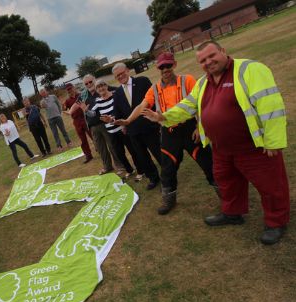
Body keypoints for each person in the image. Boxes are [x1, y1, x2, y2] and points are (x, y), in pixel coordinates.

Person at [143, 40, 289, 245]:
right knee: (227, 182)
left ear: (223, 51)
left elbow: (270, 104)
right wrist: (163, 117)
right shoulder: (204, 82)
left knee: (270, 185)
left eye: (212, 56)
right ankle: (232, 214)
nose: (208, 62)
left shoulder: (250, 69)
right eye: (203, 60)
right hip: (221, 148)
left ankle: (276, 222)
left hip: (252, 146)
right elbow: (188, 106)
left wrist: (273, 141)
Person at [116, 53, 216, 214]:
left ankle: (225, 196)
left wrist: (199, 126)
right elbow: (142, 105)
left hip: (191, 129)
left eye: (168, 66)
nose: (165, 70)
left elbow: (201, 102)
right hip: (169, 132)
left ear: (174, 65)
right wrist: (128, 121)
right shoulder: (154, 88)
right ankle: (169, 199)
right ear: (158, 68)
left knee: (208, 163)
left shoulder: (187, 80)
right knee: (167, 169)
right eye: (162, 67)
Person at [110, 63, 161, 190]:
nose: (121, 76)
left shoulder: (142, 81)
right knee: (143, 157)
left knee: (159, 153)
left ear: (128, 70)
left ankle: (168, 175)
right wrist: (112, 119)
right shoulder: (117, 93)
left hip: (149, 126)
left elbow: (154, 99)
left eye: (122, 73)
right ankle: (153, 178)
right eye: (117, 76)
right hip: (133, 132)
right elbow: (117, 113)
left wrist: (157, 118)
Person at [77, 74, 126, 175]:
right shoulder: (84, 95)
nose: (89, 84)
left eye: (90, 82)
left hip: (105, 123)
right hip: (93, 126)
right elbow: (78, 105)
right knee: (101, 148)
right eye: (86, 83)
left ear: (94, 80)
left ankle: (120, 166)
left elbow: (119, 90)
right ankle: (107, 166)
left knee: (112, 146)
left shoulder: (102, 88)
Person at [91, 79, 136, 177]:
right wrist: (85, 111)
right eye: (98, 87)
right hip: (111, 132)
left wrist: (124, 125)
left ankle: (141, 170)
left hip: (122, 128)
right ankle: (129, 170)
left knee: (132, 149)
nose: (101, 88)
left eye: (102, 85)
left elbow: (122, 110)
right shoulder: (98, 101)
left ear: (106, 86)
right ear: (96, 90)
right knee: (119, 153)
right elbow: (92, 113)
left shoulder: (115, 95)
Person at [63, 83, 93, 163]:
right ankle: (88, 155)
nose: (70, 91)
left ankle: (100, 149)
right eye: (68, 90)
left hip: (84, 118)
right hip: (76, 121)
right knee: (82, 139)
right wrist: (65, 108)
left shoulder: (81, 95)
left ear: (73, 87)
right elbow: (65, 109)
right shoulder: (67, 100)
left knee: (92, 135)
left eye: (70, 88)